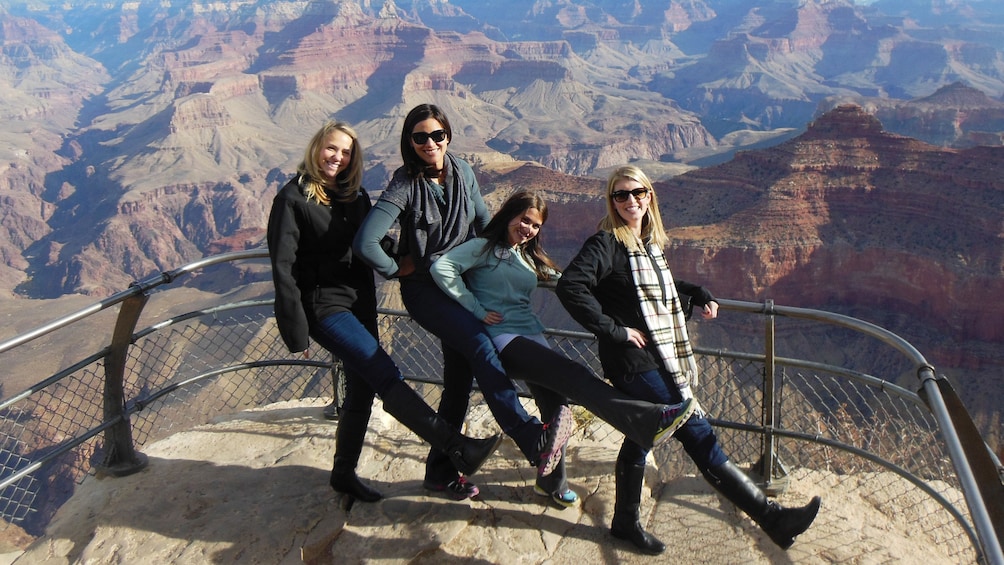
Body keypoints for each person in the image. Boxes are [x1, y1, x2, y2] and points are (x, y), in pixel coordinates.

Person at [556, 165, 821, 553]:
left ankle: (624, 523)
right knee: (697, 433)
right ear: (611, 201)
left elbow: (662, 288)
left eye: (638, 192)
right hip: (633, 363)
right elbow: (570, 286)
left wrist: (697, 291)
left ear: (649, 196)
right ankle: (772, 517)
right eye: (621, 195)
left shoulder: (646, 245)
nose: (631, 200)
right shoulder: (607, 244)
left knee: (640, 435)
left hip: (657, 359)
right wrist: (614, 330)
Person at [267, 120, 502, 504]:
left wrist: (408, 260)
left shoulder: (351, 196)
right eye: (331, 149)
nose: (337, 157)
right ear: (315, 148)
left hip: (359, 302)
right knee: (383, 372)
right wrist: (295, 333)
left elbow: (378, 240)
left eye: (345, 152)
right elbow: (283, 269)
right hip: (322, 306)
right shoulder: (291, 200)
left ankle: (344, 474)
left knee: (361, 391)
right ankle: (457, 447)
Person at [353, 104, 574, 500]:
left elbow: (485, 227)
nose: (430, 143)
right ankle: (529, 435)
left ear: (448, 136)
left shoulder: (463, 173)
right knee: (478, 343)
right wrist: (397, 269)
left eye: (437, 135)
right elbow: (366, 243)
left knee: (458, 384)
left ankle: (439, 472)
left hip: (462, 282)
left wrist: (522, 261)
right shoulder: (404, 184)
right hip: (425, 291)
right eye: (420, 137)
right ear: (410, 142)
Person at [429, 190, 696, 508]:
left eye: (536, 225)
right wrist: (474, 307)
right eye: (524, 220)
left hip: (531, 335)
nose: (528, 229)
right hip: (502, 339)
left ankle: (550, 484)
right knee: (574, 374)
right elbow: (442, 268)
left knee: (557, 411)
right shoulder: (483, 248)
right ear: (509, 215)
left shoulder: (524, 255)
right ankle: (647, 419)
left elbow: (566, 280)